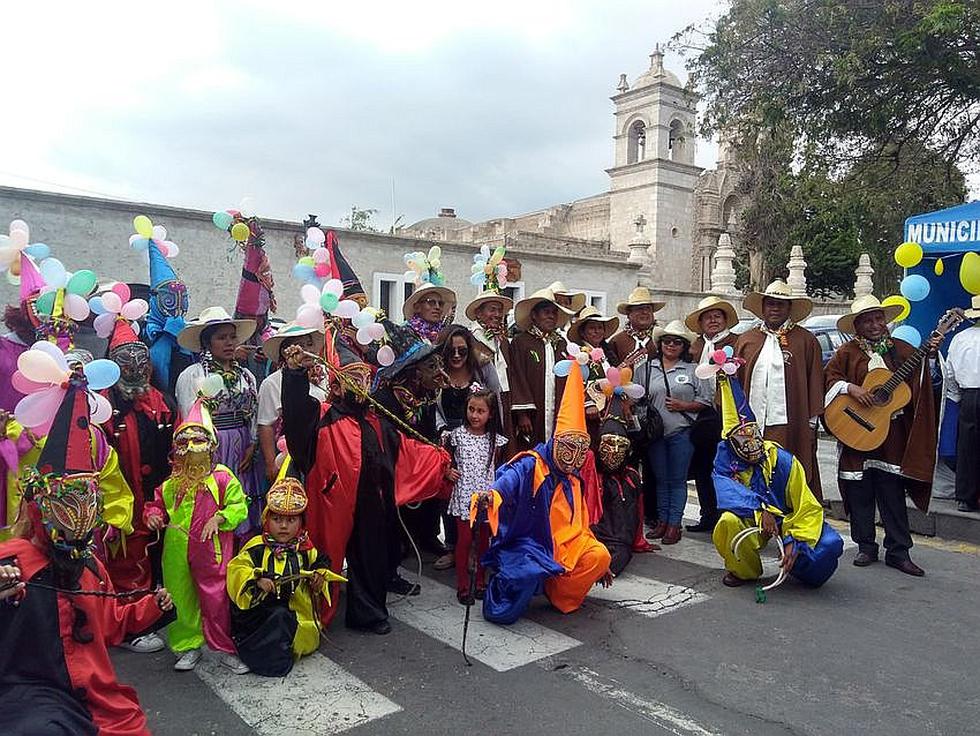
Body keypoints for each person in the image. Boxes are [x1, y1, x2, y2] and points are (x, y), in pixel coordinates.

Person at [0, 362, 175, 735]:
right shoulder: (12, 559)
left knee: (129, 726)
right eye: (68, 502)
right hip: (29, 692)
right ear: (40, 506)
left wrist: (149, 608)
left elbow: (109, 623)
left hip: (95, 693)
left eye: (88, 500)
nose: (78, 515)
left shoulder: (90, 566)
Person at [281, 339, 453, 634]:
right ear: (336, 386)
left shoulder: (375, 421)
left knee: (371, 554)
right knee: (325, 557)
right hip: (330, 503)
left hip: (370, 502)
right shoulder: (320, 418)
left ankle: (369, 612)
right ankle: (315, 613)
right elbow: (296, 412)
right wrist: (295, 375)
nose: (361, 384)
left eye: (365, 378)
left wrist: (441, 464)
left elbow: (407, 450)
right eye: (353, 377)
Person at [480, 362, 611, 624]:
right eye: (567, 449)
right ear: (555, 443)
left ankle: (560, 593)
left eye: (579, 453)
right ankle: (502, 590)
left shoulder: (573, 478)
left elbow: (580, 524)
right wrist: (490, 496)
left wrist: (599, 564)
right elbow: (508, 481)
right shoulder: (532, 463)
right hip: (531, 541)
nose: (572, 459)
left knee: (600, 556)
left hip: (566, 543)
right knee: (510, 605)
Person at [824, 295, 939, 576]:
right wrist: (850, 388)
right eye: (867, 320)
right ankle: (866, 546)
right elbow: (828, 380)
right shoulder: (846, 353)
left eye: (878, 319)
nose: (875, 325)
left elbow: (923, 382)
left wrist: (931, 357)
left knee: (892, 493)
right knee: (859, 490)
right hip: (856, 433)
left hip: (892, 435)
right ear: (857, 325)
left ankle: (899, 551)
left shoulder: (903, 349)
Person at [144, 397, 250, 673]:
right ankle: (188, 645)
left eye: (198, 440)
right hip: (176, 548)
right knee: (180, 595)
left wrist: (220, 517)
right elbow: (155, 505)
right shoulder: (170, 484)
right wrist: (153, 516)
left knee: (216, 600)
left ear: (211, 445)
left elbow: (239, 505)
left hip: (212, 548)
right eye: (184, 442)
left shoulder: (222, 477)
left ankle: (224, 647)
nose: (191, 447)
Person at [711, 370, 843, 588]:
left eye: (753, 435)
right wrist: (761, 510)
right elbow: (727, 491)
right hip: (752, 517)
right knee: (728, 522)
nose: (750, 444)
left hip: (789, 519)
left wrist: (796, 539)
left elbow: (806, 505)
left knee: (830, 544)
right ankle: (744, 571)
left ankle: (800, 567)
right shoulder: (725, 461)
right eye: (742, 439)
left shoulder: (782, 460)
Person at [101, 309, 177, 652]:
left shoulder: (159, 402)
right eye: (126, 365)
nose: (135, 370)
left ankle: (155, 611)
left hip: (154, 489)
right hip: (121, 491)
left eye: (140, 364)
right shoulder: (103, 407)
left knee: (158, 550)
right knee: (126, 555)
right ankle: (130, 625)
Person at [227, 478, 344, 676]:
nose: (283, 526)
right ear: (267, 519)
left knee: (301, 631)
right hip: (260, 614)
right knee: (276, 623)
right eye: (277, 519)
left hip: (296, 611)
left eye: (291, 520)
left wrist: (318, 578)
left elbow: (320, 566)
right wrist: (257, 579)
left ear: (301, 522)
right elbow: (236, 569)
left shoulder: (306, 549)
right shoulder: (256, 546)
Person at [176, 306, 262, 538]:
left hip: (241, 442)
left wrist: (252, 444)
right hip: (210, 446)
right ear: (207, 343)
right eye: (221, 338)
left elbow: (253, 412)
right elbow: (188, 417)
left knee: (241, 493)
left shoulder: (247, 376)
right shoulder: (193, 376)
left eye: (232, 337)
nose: (229, 343)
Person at [735, 280, 824, 500]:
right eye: (770, 304)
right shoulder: (747, 339)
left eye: (780, 304)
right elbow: (735, 382)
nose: (774, 309)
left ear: (789, 308)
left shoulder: (806, 341)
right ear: (763, 307)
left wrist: (811, 423)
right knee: (750, 472)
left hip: (790, 423)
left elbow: (814, 381)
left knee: (787, 472)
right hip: (752, 424)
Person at [372, 321, 452, 568]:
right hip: (396, 466)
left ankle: (426, 536)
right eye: (432, 366)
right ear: (414, 372)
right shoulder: (386, 398)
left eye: (439, 363)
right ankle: (399, 546)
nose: (439, 370)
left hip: (422, 458)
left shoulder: (426, 394)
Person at [635, 321, 710, 545]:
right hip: (655, 435)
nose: (671, 345)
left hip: (682, 433)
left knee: (677, 480)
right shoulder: (646, 369)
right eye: (667, 341)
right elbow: (637, 398)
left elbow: (705, 401)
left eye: (677, 342)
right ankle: (662, 522)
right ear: (660, 344)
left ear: (684, 346)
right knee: (660, 479)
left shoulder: (693, 370)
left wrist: (683, 406)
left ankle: (674, 524)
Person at [434, 325, 503, 570]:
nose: (456, 356)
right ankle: (454, 546)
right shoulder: (438, 371)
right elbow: (433, 406)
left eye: (461, 351)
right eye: (451, 350)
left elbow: (496, 400)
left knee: (479, 494)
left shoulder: (482, 369)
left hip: (479, 436)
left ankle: (476, 548)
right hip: (448, 440)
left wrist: (496, 434)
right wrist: (441, 431)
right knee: (449, 496)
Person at [444, 387, 508, 603]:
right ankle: (463, 586)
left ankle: (480, 581)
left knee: (483, 541)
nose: (474, 415)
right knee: (463, 541)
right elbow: (445, 459)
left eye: (481, 411)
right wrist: (447, 471)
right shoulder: (456, 435)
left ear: (490, 414)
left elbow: (498, 469)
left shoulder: (495, 440)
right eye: (471, 409)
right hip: (463, 496)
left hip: (485, 498)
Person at [685, 296, 740, 533]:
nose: (713, 321)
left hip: (728, 413)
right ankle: (708, 514)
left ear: (725, 319)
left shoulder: (737, 342)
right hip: (700, 415)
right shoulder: (694, 346)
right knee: (703, 467)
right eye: (708, 317)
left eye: (717, 316)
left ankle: (732, 516)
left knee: (729, 466)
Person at [257, 322, 328, 483]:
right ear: (286, 352)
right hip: (291, 455)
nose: (306, 351)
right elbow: (265, 424)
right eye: (300, 346)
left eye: (309, 344)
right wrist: (270, 463)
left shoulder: (326, 375)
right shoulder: (273, 383)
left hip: (324, 452)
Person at [508, 288, 570, 451]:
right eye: (546, 312)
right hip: (533, 413)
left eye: (554, 313)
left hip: (557, 411)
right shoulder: (521, 342)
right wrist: (522, 413)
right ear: (534, 315)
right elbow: (517, 376)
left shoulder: (561, 344)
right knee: (531, 452)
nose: (551, 316)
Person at [591, 415, 653, 576]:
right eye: (610, 444)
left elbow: (638, 511)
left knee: (617, 559)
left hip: (620, 539)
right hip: (593, 534)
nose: (615, 451)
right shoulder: (591, 474)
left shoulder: (631, 476)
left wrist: (638, 541)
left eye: (621, 446)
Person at [144, 234, 193, 395]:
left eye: (182, 298)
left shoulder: (191, 338)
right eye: (169, 298)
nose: (177, 304)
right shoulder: (147, 334)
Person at [465, 287, 514, 440]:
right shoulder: (471, 338)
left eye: (500, 311)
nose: (498, 315)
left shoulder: (502, 340)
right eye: (492, 310)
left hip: (504, 398)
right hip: (481, 402)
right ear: (479, 313)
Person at [947, 295, 980, 512]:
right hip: (969, 393)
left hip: (969, 396)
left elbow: (950, 372)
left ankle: (965, 497)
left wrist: (956, 395)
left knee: (967, 446)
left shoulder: (960, 338)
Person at [568, 306, 618, 440]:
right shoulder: (578, 354)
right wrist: (588, 403)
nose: (597, 331)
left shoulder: (607, 353)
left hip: (609, 410)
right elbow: (574, 382)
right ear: (583, 333)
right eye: (592, 328)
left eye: (600, 327)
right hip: (588, 413)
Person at [607, 286, 666, 366]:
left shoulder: (663, 339)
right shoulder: (617, 341)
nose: (645, 312)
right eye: (640, 308)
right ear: (629, 314)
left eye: (648, 308)